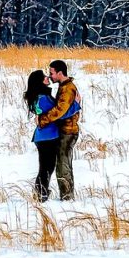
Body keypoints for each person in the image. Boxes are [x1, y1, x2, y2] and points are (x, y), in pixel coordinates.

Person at [41, 60, 82, 200]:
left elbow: (60, 111)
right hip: (65, 131)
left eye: (51, 72)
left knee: (63, 165)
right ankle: (67, 196)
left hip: (68, 132)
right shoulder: (63, 86)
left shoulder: (67, 89)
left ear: (60, 73)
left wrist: (43, 120)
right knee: (63, 164)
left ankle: (67, 197)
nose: (50, 75)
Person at [24, 69, 60, 203]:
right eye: (44, 76)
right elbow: (58, 111)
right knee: (47, 167)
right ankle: (41, 193)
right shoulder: (43, 98)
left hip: (42, 136)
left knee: (46, 166)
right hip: (47, 136)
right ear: (40, 81)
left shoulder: (38, 96)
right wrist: (76, 104)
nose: (47, 77)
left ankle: (41, 192)